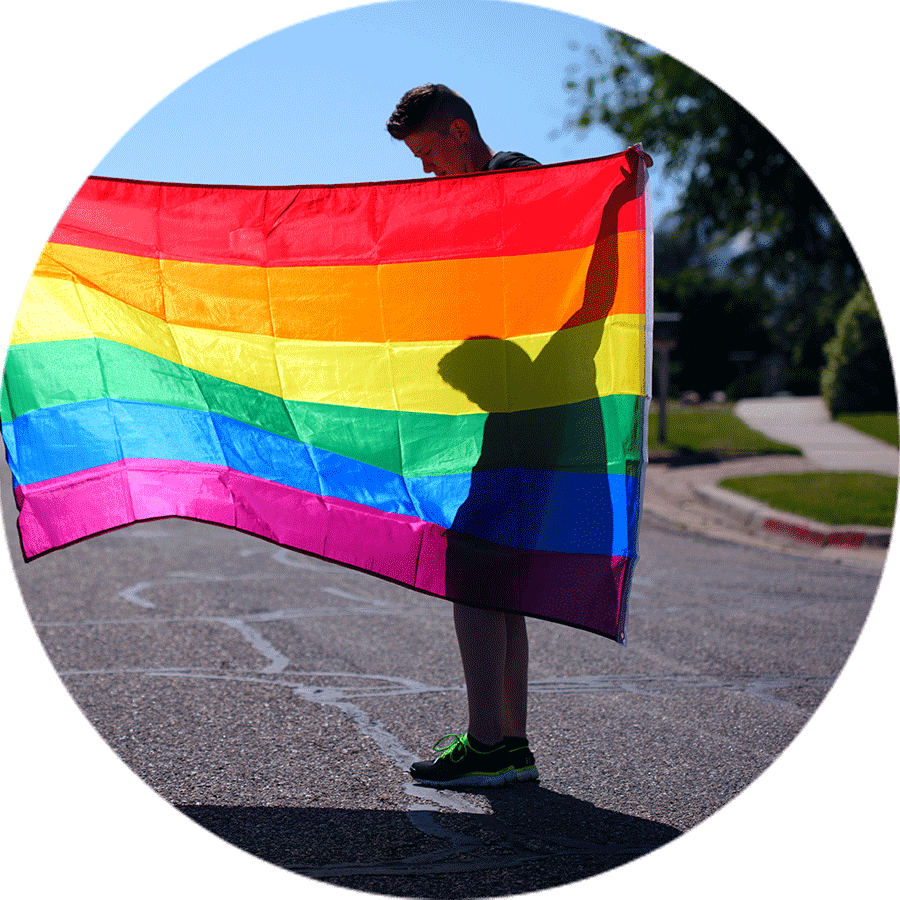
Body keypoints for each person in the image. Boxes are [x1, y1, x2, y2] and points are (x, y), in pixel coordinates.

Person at [386, 84, 540, 788]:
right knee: (498, 576)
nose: (425, 172)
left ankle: (485, 745)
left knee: (474, 569)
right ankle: (509, 745)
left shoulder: (509, 179)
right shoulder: (494, 190)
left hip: (529, 407)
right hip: (520, 408)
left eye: (427, 154)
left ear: (458, 129)